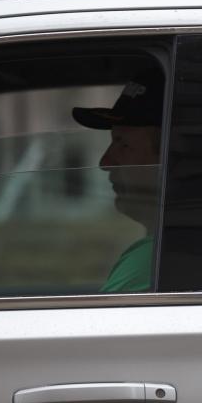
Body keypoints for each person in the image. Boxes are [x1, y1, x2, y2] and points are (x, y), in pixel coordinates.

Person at [72, 67, 164, 292]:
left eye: (124, 144)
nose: (105, 162)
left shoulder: (152, 262)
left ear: (169, 158)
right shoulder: (165, 254)